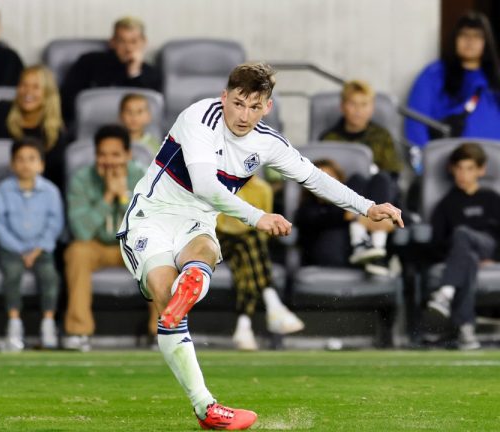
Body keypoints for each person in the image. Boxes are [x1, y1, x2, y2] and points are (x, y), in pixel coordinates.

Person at [117, 63, 403, 429]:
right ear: (225, 98)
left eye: (254, 107)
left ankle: (190, 294)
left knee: (202, 252)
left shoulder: (267, 142)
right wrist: (258, 216)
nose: (244, 115)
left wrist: (368, 207)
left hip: (196, 223)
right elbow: (205, 185)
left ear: (267, 107)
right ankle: (205, 404)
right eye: (238, 104)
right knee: (165, 295)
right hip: (151, 217)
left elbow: (315, 177)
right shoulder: (199, 118)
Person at [63, 125, 148, 351]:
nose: (108, 161)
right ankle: (79, 332)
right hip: (97, 246)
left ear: (128, 155)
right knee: (77, 251)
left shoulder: (143, 176)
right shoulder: (82, 179)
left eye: (115, 154)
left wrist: (123, 198)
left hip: (131, 246)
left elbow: (146, 227)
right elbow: (81, 232)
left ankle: (163, 331)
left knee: (158, 252)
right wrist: (108, 196)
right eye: (102, 154)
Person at [0, 138, 64, 351]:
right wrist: (19, 249)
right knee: (12, 275)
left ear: (41, 164)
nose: (26, 164)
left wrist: (38, 249)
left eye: (32, 159)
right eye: (20, 159)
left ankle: (48, 323)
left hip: (41, 248)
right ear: (12, 164)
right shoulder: (4, 190)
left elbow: (54, 223)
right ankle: (14, 323)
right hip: (12, 249)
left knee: (50, 276)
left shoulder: (50, 191)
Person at [426, 143, 500, 350]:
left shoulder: (492, 199)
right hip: (465, 256)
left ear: (481, 170)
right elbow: (436, 242)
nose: (463, 174)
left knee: (462, 233)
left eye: (469, 168)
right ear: (452, 169)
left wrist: (495, 258)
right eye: (459, 168)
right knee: (467, 257)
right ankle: (466, 330)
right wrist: (460, 253)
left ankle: (446, 293)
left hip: (490, 247)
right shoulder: (445, 204)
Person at [216, 175, 303, 351]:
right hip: (218, 240)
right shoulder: (218, 184)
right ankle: (272, 302)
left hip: (248, 244)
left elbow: (266, 228)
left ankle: (244, 324)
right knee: (249, 242)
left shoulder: (263, 189)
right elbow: (222, 225)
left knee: (246, 256)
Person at [406, 11, 500, 153]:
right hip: (449, 165)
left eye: (477, 36)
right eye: (464, 35)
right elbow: (416, 123)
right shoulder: (433, 75)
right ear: (454, 39)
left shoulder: (495, 78)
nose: (470, 41)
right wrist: (423, 164)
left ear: (487, 42)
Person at [0, 65, 68, 191]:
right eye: (23, 85)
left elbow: (54, 182)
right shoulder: (0, 111)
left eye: (35, 87)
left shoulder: (55, 133)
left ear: (47, 94)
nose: (28, 92)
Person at [60, 17, 161, 123]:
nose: (128, 48)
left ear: (143, 42)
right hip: (92, 123)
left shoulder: (152, 74)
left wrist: (134, 73)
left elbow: (150, 112)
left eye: (133, 41)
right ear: (112, 42)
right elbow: (68, 99)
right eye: (122, 41)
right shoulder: (89, 62)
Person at [319, 80, 402, 176]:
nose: (358, 110)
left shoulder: (382, 136)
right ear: (342, 106)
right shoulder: (328, 139)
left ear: (372, 108)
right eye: (352, 103)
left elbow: (393, 174)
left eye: (364, 104)